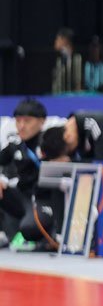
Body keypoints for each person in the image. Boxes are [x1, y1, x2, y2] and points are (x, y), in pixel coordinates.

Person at [0, 98, 45, 249]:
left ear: (42, 121)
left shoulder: (50, 142)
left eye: (27, 121)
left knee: (30, 229)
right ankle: (3, 233)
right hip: (22, 198)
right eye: (18, 121)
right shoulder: (15, 145)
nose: (21, 126)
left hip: (44, 200)